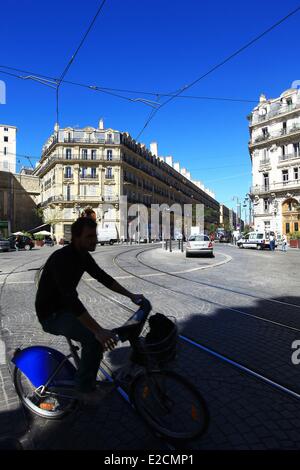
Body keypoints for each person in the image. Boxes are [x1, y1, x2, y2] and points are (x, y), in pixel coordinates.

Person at [35, 217, 145, 403]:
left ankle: (86, 376)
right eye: (89, 236)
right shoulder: (62, 258)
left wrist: (131, 295)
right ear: (76, 238)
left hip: (66, 309)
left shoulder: (83, 256)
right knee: (93, 340)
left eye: (95, 235)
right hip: (51, 314)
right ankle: (84, 390)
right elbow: (71, 299)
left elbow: (104, 278)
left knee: (97, 337)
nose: (94, 240)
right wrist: (98, 331)